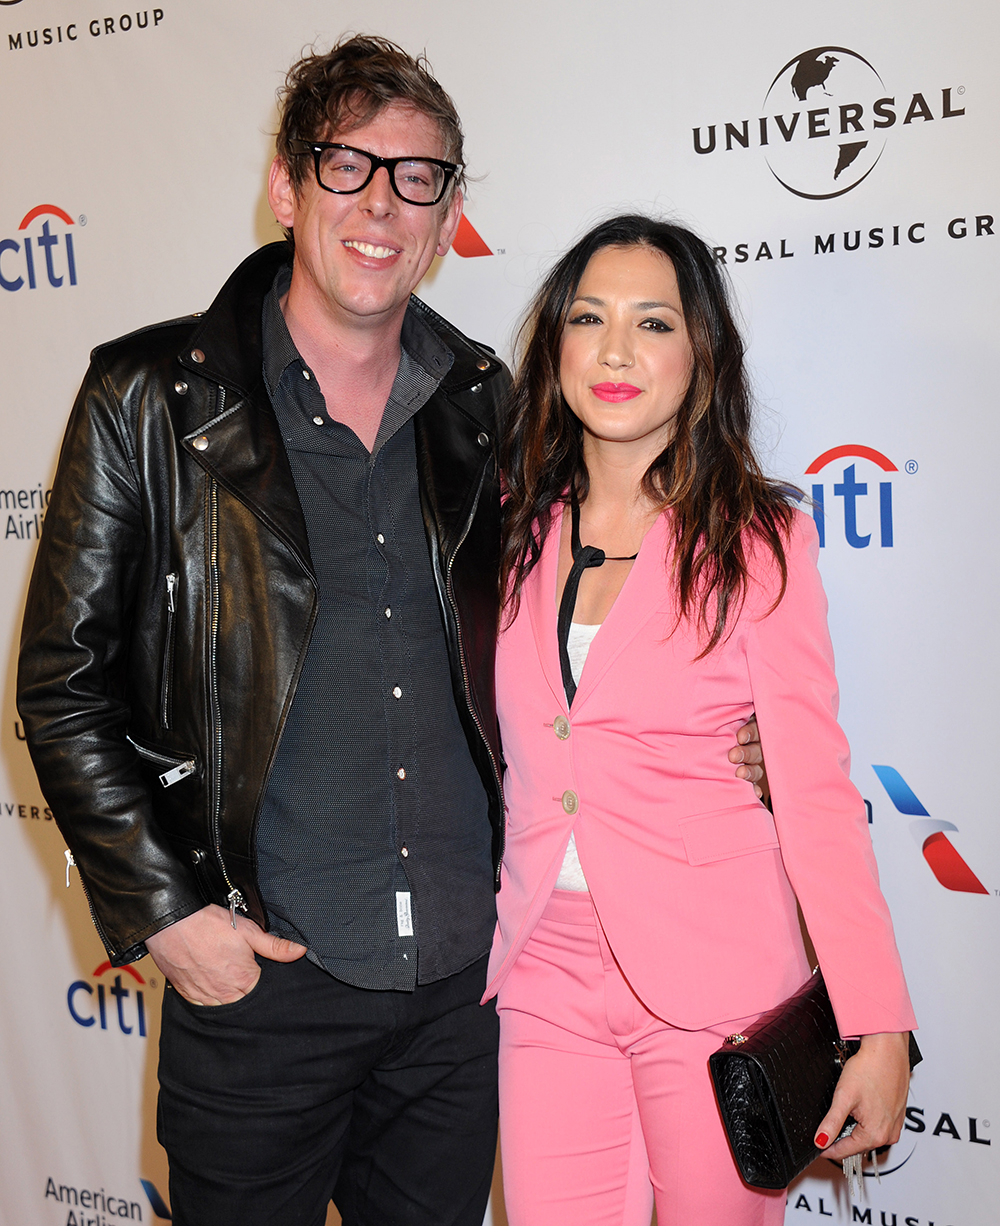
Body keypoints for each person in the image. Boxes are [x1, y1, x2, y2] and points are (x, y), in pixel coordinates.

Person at [16, 41, 768, 1226]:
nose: (381, 204)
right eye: (347, 165)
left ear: (449, 209)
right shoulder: (150, 395)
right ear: (286, 186)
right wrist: (167, 912)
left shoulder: (491, 408)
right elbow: (62, 683)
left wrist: (738, 740)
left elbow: (607, 606)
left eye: (417, 177)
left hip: (465, 1000)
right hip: (260, 986)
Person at [486, 215, 916, 1226]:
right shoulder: (508, 528)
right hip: (542, 968)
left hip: (715, 984)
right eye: (589, 317)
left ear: (701, 353)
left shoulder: (758, 538)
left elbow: (812, 792)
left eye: (653, 321)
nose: (618, 349)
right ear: (555, 346)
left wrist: (878, 1022)